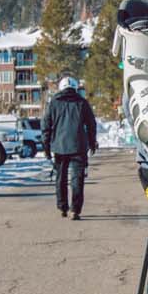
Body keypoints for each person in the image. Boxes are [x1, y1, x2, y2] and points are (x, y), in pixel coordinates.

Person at [41, 76, 96, 219]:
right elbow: (91, 125)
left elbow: (46, 127)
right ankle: (75, 210)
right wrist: (92, 142)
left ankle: (62, 207)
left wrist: (46, 148)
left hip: (59, 147)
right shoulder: (82, 103)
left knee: (61, 178)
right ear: (75, 87)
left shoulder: (53, 103)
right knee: (77, 179)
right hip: (78, 146)